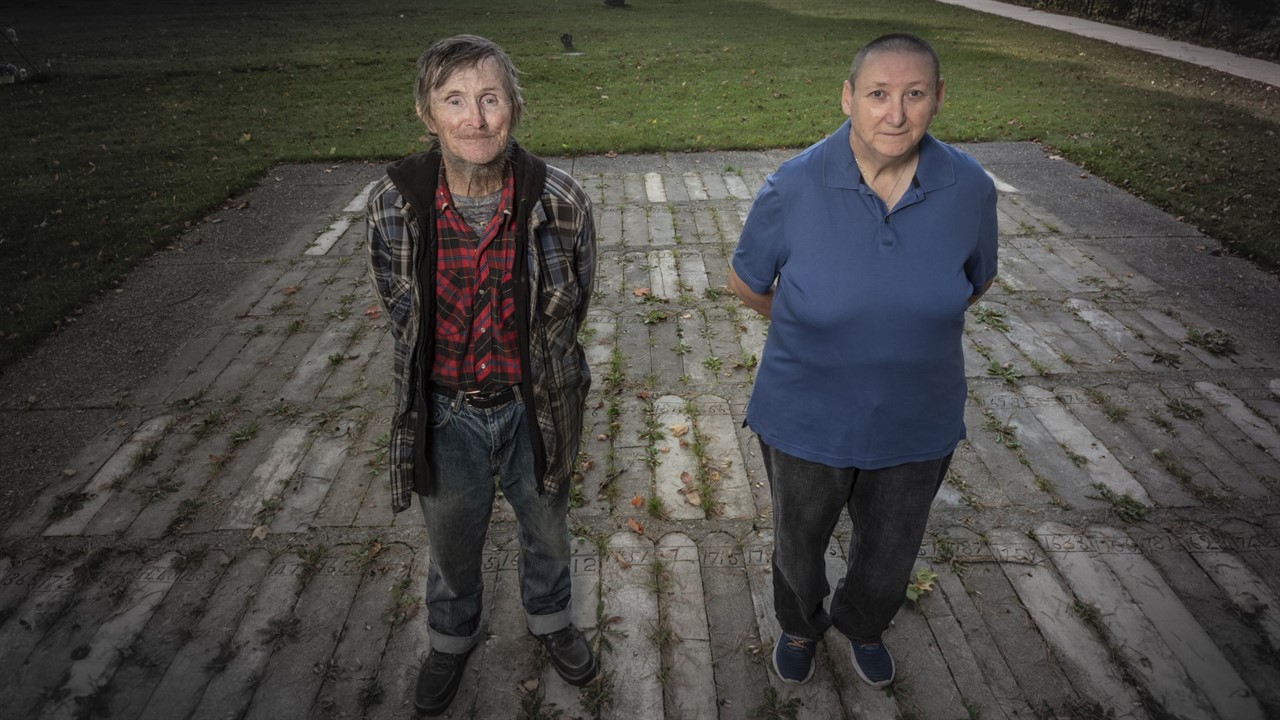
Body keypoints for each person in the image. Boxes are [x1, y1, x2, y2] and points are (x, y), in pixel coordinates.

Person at [728, 33, 997, 688]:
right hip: (805, 415)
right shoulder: (792, 187)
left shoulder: (969, 189)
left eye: (914, 94)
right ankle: (799, 623)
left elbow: (975, 279)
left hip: (917, 418)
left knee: (890, 551)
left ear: (938, 99)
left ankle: (865, 622)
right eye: (878, 94)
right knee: (798, 544)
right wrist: (821, 328)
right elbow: (746, 282)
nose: (895, 114)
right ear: (849, 97)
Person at [366, 35, 598, 716]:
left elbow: (573, 303)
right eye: (456, 100)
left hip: (536, 405)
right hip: (445, 411)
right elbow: (399, 316)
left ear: (515, 108)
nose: (476, 117)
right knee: (452, 537)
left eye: (490, 98)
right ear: (426, 112)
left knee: (547, 522)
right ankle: (451, 632)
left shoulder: (562, 201)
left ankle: (552, 618)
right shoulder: (392, 205)